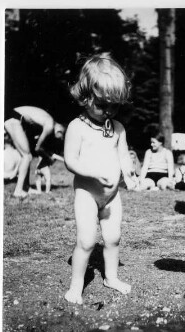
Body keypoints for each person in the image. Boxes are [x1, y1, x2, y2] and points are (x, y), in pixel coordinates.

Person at [64, 53, 136, 305]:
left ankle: (111, 277)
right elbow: (70, 160)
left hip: (112, 195)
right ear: (85, 96)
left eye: (114, 105)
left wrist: (129, 173)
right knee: (86, 241)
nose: (109, 110)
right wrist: (92, 172)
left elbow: (123, 155)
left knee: (113, 237)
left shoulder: (117, 127)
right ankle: (76, 286)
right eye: (102, 104)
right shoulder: (77, 127)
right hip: (87, 193)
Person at [4, 106, 65, 198]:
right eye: (61, 137)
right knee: (27, 156)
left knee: (24, 155)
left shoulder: (47, 121)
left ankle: (26, 188)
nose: (60, 139)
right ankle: (18, 191)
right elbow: (38, 148)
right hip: (14, 118)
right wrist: (48, 157)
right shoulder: (50, 125)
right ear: (60, 131)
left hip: (14, 118)